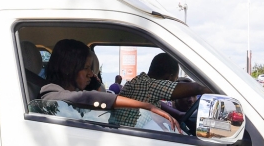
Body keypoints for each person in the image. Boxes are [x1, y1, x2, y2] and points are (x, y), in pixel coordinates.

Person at [40, 39, 179, 131]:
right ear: (69, 68)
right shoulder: (51, 93)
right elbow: (88, 98)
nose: (90, 74)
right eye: (86, 68)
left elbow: (99, 96)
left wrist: (96, 84)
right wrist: (148, 105)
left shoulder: (75, 90)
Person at [112, 52, 209, 127]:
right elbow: (199, 88)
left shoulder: (140, 83)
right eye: (175, 80)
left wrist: (178, 114)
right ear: (169, 78)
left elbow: (153, 101)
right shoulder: (150, 85)